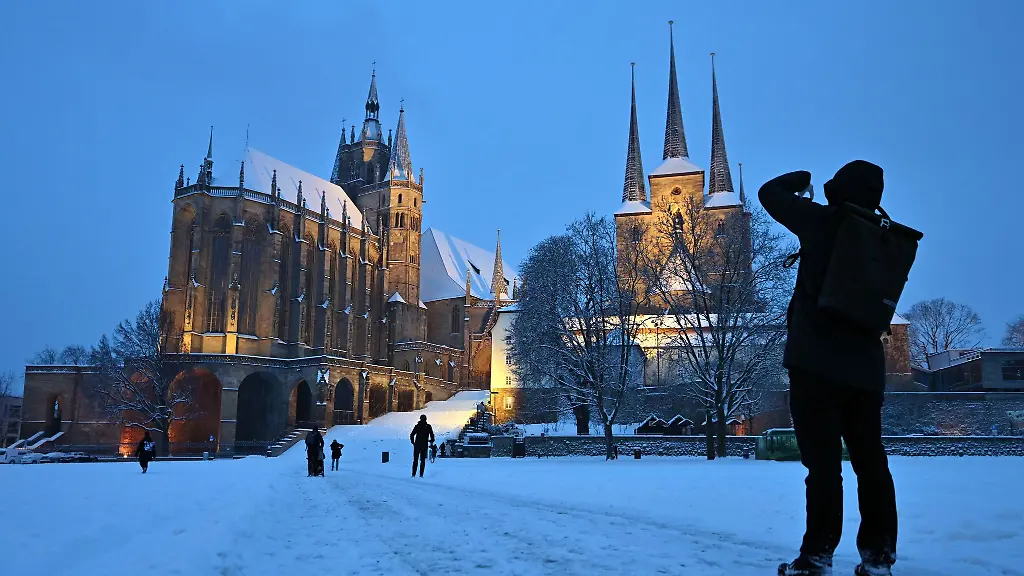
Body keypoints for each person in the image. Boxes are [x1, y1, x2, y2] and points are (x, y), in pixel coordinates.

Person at [759, 162, 898, 576]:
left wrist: (801, 179)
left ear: (838, 190)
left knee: (823, 468)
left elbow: (769, 193)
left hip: (816, 366)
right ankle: (878, 557)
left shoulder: (822, 221)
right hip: (866, 371)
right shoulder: (885, 236)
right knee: (871, 463)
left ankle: (816, 556)